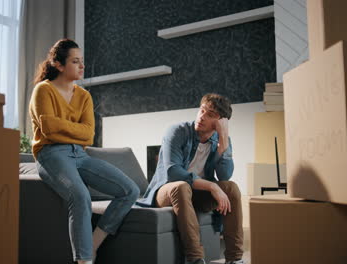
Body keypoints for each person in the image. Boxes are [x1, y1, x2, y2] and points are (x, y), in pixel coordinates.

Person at [29, 39, 140, 264]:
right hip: (50, 154)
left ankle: (93, 244)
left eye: (82, 62)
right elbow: (48, 131)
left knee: (130, 190)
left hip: (80, 155)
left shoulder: (84, 96)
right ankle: (84, 261)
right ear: (59, 65)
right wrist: (74, 131)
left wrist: (64, 128)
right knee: (80, 196)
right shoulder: (44, 90)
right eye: (75, 61)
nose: (82, 66)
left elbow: (88, 136)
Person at [137, 93, 244, 264]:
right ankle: (195, 259)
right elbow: (174, 173)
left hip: (196, 195)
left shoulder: (221, 139)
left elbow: (225, 175)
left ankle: (235, 258)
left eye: (210, 115)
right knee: (181, 186)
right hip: (167, 190)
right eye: (202, 110)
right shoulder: (178, 131)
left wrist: (223, 143)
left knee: (231, 187)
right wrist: (212, 186)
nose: (202, 117)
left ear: (220, 122)